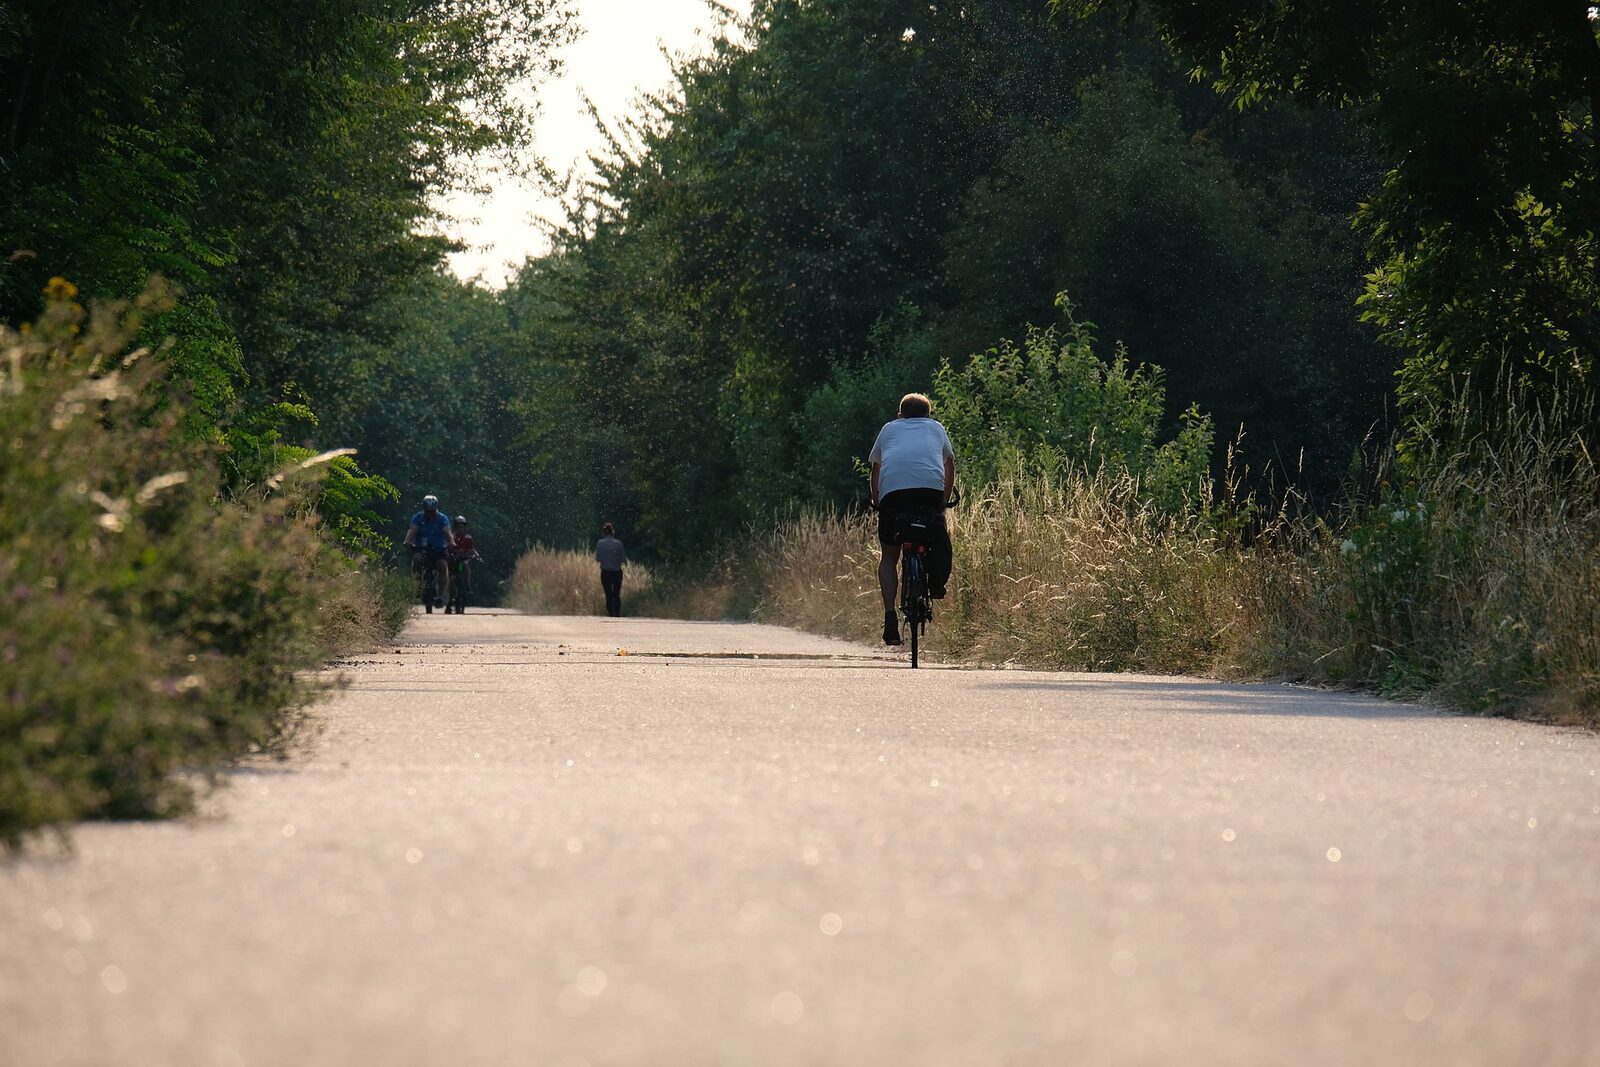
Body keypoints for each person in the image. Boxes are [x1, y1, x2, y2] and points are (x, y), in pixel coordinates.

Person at [868, 392, 955, 645]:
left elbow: (877, 466)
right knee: (938, 536)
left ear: (900, 415)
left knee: (889, 557)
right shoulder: (937, 428)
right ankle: (935, 582)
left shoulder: (888, 429)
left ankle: (889, 615)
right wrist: (942, 502)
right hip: (930, 493)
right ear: (928, 415)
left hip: (893, 497)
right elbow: (949, 464)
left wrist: (877, 499)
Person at [402, 494, 454, 607]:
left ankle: (440, 596)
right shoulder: (417, 518)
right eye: (427, 511)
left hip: (439, 549)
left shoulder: (442, 518)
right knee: (417, 559)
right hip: (422, 549)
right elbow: (412, 531)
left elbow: (447, 532)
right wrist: (408, 541)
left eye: (432, 511)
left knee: (443, 565)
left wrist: (451, 542)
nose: (430, 513)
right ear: (424, 508)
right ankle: (417, 586)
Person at [445, 515, 482, 612]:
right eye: (458, 526)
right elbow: (448, 548)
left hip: (463, 560)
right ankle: (451, 599)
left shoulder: (468, 538)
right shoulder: (452, 537)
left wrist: (477, 556)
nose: (460, 529)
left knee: (465, 566)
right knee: (452, 580)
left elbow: (472, 549)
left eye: (462, 526)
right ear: (455, 527)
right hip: (453, 562)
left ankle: (467, 584)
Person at [595, 522, 626, 617]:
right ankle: (617, 613)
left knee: (608, 594)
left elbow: (597, 558)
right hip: (617, 572)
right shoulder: (618, 543)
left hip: (605, 572)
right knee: (616, 594)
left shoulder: (600, 543)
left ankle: (611, 613)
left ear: (604, 532)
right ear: (613, 532)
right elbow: (623, 559)